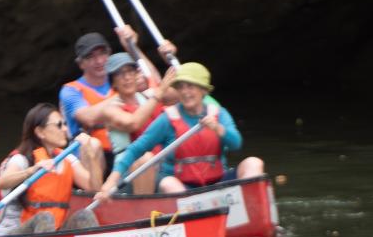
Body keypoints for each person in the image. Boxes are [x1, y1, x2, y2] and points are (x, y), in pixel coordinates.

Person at [110, 62, 266, 196]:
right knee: (170, 184)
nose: (185, 92)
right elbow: (136, 149)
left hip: (216, 181)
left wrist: (218, 129)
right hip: (181, 185)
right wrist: (110, 181)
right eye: (181, 87)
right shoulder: (167, 119)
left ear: (203, 90)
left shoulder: (219, 114)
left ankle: (253, 216)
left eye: (190, 87)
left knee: (253, 163)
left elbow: (236, 144)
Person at [70, 53, 169, 197]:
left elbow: (183, 93)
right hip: (126, 170)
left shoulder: (148, 96)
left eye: (130, 72)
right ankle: (144, 212)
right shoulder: (111, 108)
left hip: (160, 165)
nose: (127, 78)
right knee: (144, 158)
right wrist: (157, 95)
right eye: (120, 74)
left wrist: (166, 56)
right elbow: (133, 123)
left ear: (137, 75)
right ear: (113, 82)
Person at [0, 105, 99, 235]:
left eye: (65, 124)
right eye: (59, 125)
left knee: (84, 215)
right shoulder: (21, 159)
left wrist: (91, 155)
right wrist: (32, 171)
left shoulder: (67, 158)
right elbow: (1, 183)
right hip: (13, 234)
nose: (65, 129)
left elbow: (94, 187)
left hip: (53, 231)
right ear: (40, 132)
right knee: (45, 217)